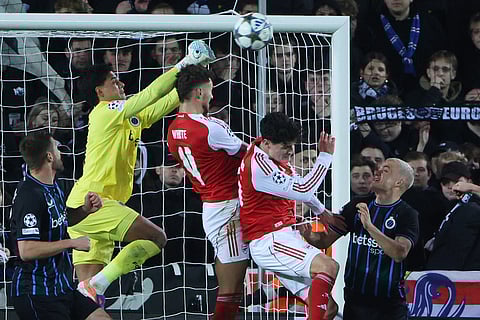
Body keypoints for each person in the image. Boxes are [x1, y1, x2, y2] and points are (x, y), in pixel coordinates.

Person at [65, 40, 215, 305]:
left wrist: (190, 82)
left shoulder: (127, 118)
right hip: (92, 203)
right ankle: (97, 283)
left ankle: (94, 286)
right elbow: (149, 94)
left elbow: (162, 103)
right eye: (114, 81)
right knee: (157, 237)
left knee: (87, 300)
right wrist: (184, 63)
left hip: (93, 205)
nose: (121, 84)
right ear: (100, 92)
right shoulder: (105, 112)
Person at [239, 112, 343, 319]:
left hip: (283, 235)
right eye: (285, 146)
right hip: (269, 240)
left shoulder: (271, 153)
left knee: (328, 309)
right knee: (329, 265)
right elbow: (304, 189)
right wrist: (325, 157)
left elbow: (298, 187)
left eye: (292, 145)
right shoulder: (259, 166)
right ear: (267, 142)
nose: (290, 151)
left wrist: (321, 211)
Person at [167, 64, 249, 320]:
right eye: (211, 91)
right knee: (231, 289)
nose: (212, 97)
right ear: (200, 92)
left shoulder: (172, 130)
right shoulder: (210, 128)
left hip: (212, 207)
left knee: (232, 287)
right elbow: (249, 154)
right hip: (228, 208)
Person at [301, 158, 419, 319]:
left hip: (389, 306)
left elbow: (399, 253)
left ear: (399, 182)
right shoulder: (357, 205)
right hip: (354, 302)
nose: (377, 172)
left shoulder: (407, 214)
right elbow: (324, 241)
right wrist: (309, 235)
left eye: (385, 170)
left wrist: (369, 227)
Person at [10, 133, 110, 320]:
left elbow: (61, 219)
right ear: (49, 156)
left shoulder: (54, 187)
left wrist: (85, 210)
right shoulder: (29, 195)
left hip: (61, 286)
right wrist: (71, 243)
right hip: (37, 291)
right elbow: (27, 250)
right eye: (56, 149)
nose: (60, 153)